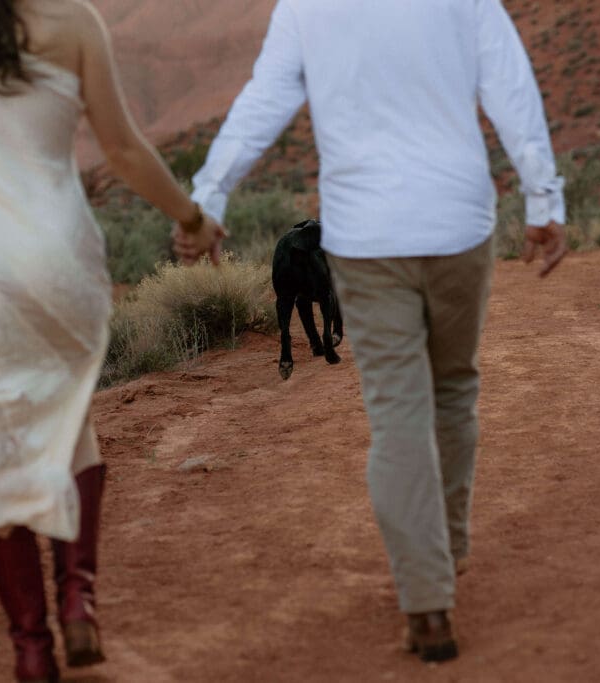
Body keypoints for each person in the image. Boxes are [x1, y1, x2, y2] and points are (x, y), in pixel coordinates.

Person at [180, 0, 567, 663]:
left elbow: (264, 101)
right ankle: (447, 546)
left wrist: (209, 196)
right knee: (453, 388)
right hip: (457, 222)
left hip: (365, 237)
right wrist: (543, 197)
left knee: (397, 414)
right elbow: (510, 83)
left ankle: (427, 600)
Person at [0, 1, 226, 681]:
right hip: (58, 258)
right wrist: (192, 218)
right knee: (71, 417)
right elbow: (123, 148)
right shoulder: (75, 21)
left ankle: (31, 647)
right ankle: (78, 599)